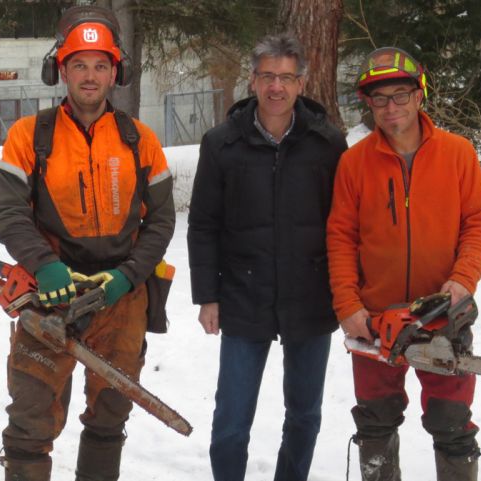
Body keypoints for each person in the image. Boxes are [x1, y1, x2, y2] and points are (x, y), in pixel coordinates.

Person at [0, 6, 175, 481]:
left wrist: (128, 276)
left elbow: (161, 221)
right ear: (62, 70)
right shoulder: (30, 137)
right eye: (79, 65)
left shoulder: (140, 140)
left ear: (116, 72)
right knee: (30, 418)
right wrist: (44, 264)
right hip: (51, 295)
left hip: (120, 299)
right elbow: (8, 213)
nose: (90, 76)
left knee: (110, 416)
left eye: (99, 65)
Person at [326, 47, 481, 481]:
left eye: (400, 95)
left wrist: (462, 282)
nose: (391, 108)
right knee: (375, 420)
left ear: (419, 95)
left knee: (451, 422)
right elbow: (341, 238)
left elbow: (478, 224)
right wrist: (349, 307)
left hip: (442, 314)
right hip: (376, 317)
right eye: (380, 99)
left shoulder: (457, 153)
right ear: (368, 103)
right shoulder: (354, 163)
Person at [187, 33, 347, 481]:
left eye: (287, 77)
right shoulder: (221, 143)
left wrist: (346, 293)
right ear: (253, 81)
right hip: (244, 295)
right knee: (231, 421)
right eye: (267, 76)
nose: (277, 86)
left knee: (304, 415)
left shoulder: (328, 143)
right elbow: (203, 225)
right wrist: (208, 295)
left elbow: (345, 226)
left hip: (310, 296)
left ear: (301, 84)